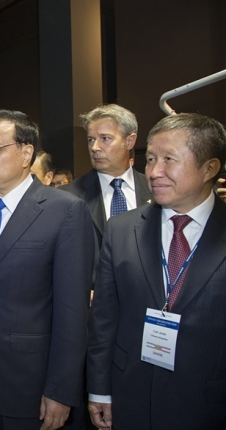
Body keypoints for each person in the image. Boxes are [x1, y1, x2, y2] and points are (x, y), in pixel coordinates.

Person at [0, 109, 94, 430]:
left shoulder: (64, 211)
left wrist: (61, 389)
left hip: (24, 386)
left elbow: (71, 312)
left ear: (26, 153)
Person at [87, 113, 226, 429]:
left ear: (209, 168)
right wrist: (99, 389)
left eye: (169, 160)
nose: (153, 172)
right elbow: (104, 320)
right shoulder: (122, 230)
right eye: (150, 159)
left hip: (207, 403)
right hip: (130, 396)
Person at [60, 104, 151, 251]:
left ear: (129, 141)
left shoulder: (155, 189)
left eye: (105, 138)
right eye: (91, 139)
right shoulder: (68, 196)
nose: (95, 147)